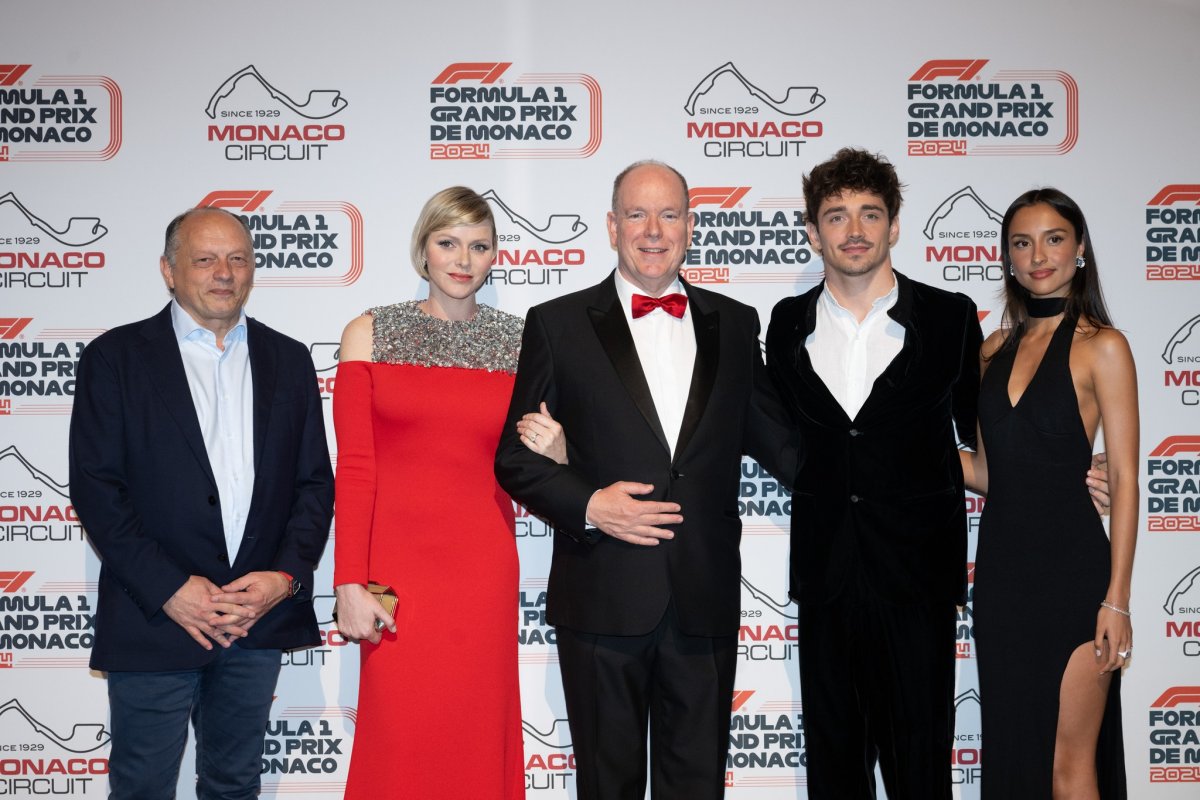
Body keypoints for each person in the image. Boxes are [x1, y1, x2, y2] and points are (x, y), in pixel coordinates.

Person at [494, 160, 799, 799]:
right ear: (611, 226)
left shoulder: (737, 324)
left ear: (690, 226)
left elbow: (788, 449)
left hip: (702, 599)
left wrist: (882, 455)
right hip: (602, 595)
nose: (653, 230)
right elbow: (515, 460)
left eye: (668, 215)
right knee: (608, 787)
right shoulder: (557, 322)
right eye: (637, 214)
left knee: (697, 788)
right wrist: (591, 504)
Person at [69, 206, 334, 799]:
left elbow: (314, 484)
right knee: (142, 786)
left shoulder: (287, 360)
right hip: (154, 618)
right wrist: (170, 589)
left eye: (238, 259)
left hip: (252, 619)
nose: (224, 273)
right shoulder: (116, 358)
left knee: (235, 784)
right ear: (168, 270)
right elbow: (96, 489)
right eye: (206, 259)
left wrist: (283, 579)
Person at [765, 148, 983, 799]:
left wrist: (1061, 475)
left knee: (921, 770)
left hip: (916, 580)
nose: (854, 229)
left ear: (893, 225)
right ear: (813, 232)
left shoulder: (949, 317)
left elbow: (984, 438)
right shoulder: (785, 323)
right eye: (836, 216)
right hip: (827, 576)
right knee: (835, 772)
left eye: (870, 213)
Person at [332, 187, 540, 800]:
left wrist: (558, 450)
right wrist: (348, 580)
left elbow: (540, 462)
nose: (463, 258)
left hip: (481, 571)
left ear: (495, 257)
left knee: (477, 732)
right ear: (423, 248)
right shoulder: (367, 333)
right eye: (448, 242)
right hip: (395, 578)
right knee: (398, 737)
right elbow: (357, 469)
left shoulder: (522, 343)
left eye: (479, 246)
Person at [961, 188, 1136, 798]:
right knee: (1012, 758)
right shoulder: (989, 351)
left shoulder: (1103, 347)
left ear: (1080, 248)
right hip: (1002, 580)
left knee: (1069, 767)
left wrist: (1116, 599)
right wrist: (899, 445)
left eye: (1054, 238)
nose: (1038, 255)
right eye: (1021, 242)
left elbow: (1125, 481)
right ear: (1006, 256)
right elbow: (987, 471)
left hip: (1074, 581)